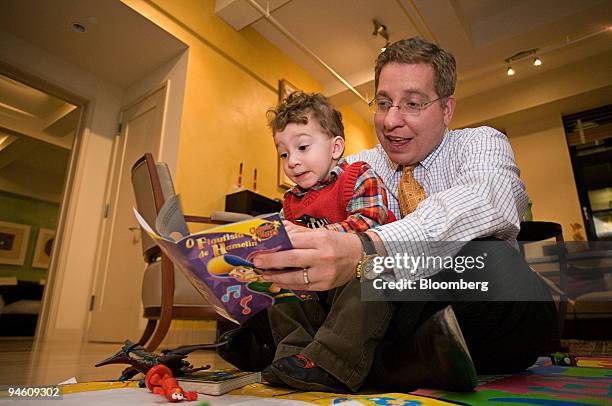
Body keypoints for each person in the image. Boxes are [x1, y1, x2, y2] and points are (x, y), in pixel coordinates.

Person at [244, 37, 559, 392]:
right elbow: (312, 201)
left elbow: (488, 198)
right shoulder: (355, 165)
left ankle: (375, 365)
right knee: (277, 296)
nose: (391, 121)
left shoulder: (479, 143)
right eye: (383, 103)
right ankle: (401, 362)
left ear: (446, 109)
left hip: (454, 296)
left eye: (412, 103)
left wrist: (370, 247)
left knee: (496, 266)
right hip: (371, 312)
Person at [263, 91, 397, 392]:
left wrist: (318, 238)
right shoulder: (290, 201)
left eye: (302, 147)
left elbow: (371, 222)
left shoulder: (357, 176)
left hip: (358, 284)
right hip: (317, 290)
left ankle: (332, 363)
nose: (292, 162)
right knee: (278, 285)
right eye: (284, 153)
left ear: (336, 147)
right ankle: (291, 356)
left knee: (374, 273)